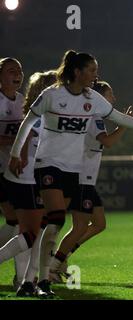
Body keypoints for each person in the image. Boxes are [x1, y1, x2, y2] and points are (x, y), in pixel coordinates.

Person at [8, 50, 133, 298]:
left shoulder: (92, 98)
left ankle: (36, 282)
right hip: (48, 163)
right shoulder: (52, 95)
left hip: (73, 168)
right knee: (55, 219)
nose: (96, 75)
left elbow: (118, 118)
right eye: (92, 70)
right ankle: (36, 281)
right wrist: (15, 154)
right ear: (77, 71)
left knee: (51, 224)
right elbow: (28, 122)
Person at [48, 81, 133, 284]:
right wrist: (125, 124)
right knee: (79, 226)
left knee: (99, 224)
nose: (113, 98)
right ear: (100, 98)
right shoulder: (93, 118)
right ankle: (52, 267)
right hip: (81, 179)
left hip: (86, 179)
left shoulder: (95, 118)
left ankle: (62, 258)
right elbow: (109, 142)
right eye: (110, 94)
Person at [0, 70, 57, 297]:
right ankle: (29, 282)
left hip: (31, 176)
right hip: (27, 177)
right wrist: (20, 157)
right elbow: (26, 136)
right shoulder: (40, 112)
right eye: (56, 85)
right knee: (34, 233)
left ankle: (26, 283)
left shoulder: (47, 110)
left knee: (29, 232)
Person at [0, 57, 28, 290]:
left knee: (16, 220)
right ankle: (22, 280)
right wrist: (18, 139)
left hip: (10, 171)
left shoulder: (22, 102)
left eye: (19, 70)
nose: (17, 74)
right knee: (19, 221)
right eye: (11, 70)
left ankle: (21, 280)